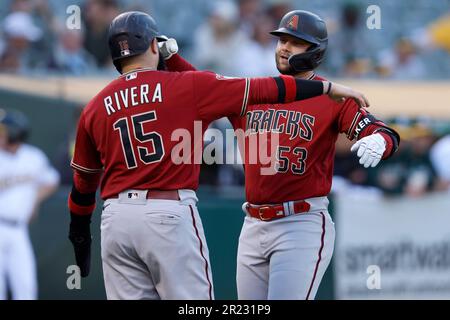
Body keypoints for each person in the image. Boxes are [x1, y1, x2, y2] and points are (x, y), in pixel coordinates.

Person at [67, 11, 370, 300]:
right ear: (152, 44)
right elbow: (261, 89)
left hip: (115, 219)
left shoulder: (95, 105)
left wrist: (80, 234)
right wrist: (326, 88)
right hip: (167, 213)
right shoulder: (184, 85)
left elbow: (82, 184)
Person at [163, 10, 400, 299]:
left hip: (300, 224)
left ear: (315, 51)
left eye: (295, 41)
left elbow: (381, 131)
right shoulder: (256, 91)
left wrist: (382, 141)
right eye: (281, 40)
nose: (284, 47)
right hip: (252, 223)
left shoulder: (331, 96)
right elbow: (201, 82)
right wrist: (169, 58)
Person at [0, 108, 60, 300]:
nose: (1, 135)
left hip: (19, 230)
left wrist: (35, 199)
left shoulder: (33, 157)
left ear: (15, 133)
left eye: (4, 131)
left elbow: (52, 180)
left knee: (26, 287)